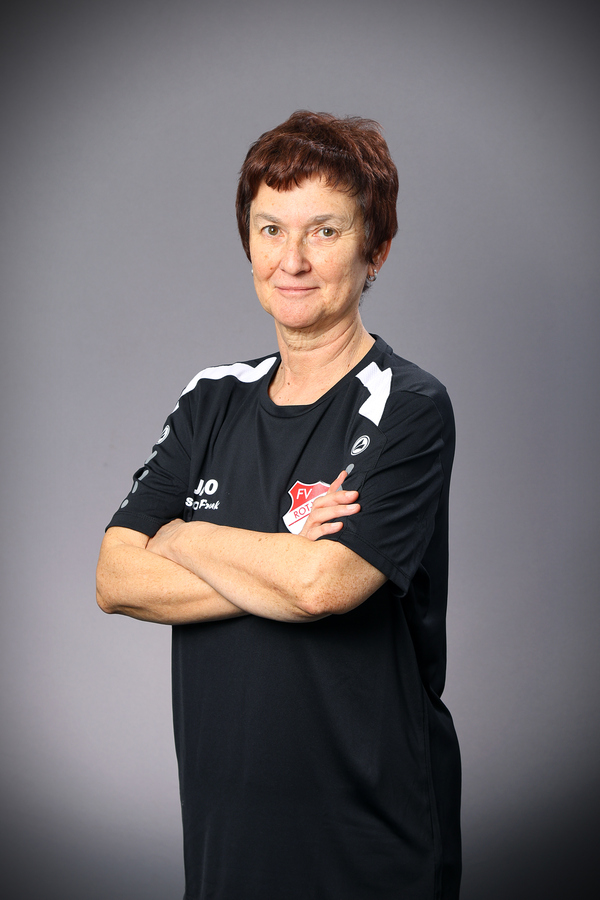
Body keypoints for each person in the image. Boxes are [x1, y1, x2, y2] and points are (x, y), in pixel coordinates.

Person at [96, 110, 461, 900]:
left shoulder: (407, 405)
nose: (291, 260)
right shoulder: (211, 399)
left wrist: (182, 535)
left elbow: (321, 586)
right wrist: (280, 550)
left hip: (369, 840)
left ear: (375, 249)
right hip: (226, 838)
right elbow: (115, 578)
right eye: (271, 230)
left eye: (324, 231)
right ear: (249, 243)